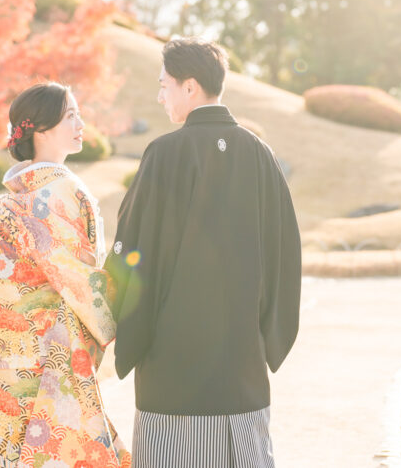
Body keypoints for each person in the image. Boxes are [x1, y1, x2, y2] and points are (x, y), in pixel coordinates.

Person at [105, 38, 302, 468]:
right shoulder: (260, 155)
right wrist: (268, 330)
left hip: (173, 361)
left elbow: (132, 248)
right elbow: (285, 252)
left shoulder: (165, 153)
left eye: (164, 86)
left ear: (189, 87)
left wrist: (116, 314)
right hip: (242, 360)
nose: (160, 96)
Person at [0, 82, 130, 468]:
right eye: (71, 116)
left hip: (2, 354)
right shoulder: (64, 191)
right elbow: (82, 280)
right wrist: (126, 309)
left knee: (5, 449)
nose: (82, 123)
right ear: (42, 130)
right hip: (52, 353)